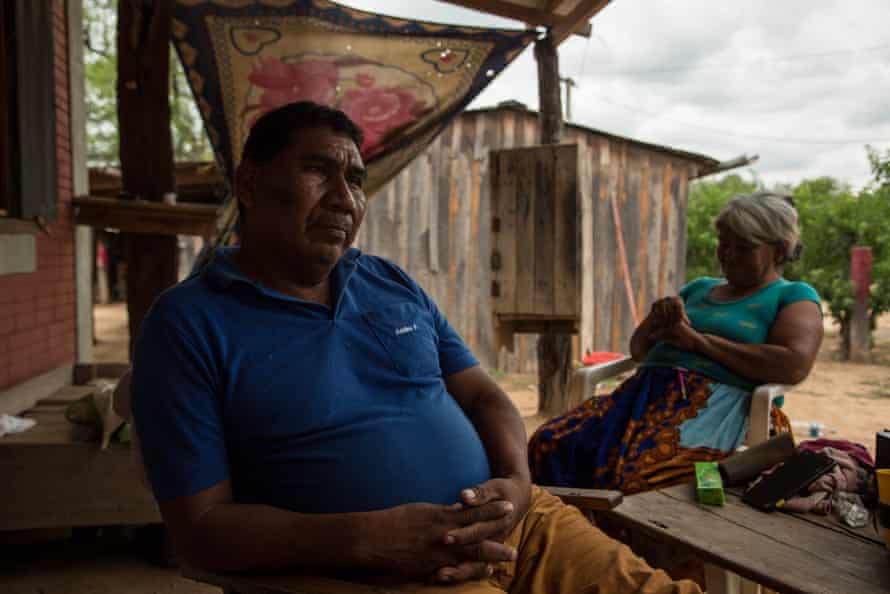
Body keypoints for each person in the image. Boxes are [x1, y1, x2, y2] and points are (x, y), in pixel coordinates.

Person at [130, 101, 700, 593]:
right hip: (379, 577)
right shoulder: (188, 325)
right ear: (250, 184)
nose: (344, 200)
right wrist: (365, 540)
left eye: (354, 180)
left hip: (522, 526)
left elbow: (484, 396)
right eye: (317, 171)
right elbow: (199, 531)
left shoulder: (388, 282)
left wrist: (519, 484)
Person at [529, 192, 824, 494]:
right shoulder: (699, 288)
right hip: (639, 398)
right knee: (548, 443)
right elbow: (639, 351)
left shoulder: (792, 295)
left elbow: (793, 364)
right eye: (724, 243)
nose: (729, 255)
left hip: (713, 410)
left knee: (638, 477)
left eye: (744, 248)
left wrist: (700, 344)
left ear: (779, 250)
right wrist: (657, 320)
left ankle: (617, 536)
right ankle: (566, 533)